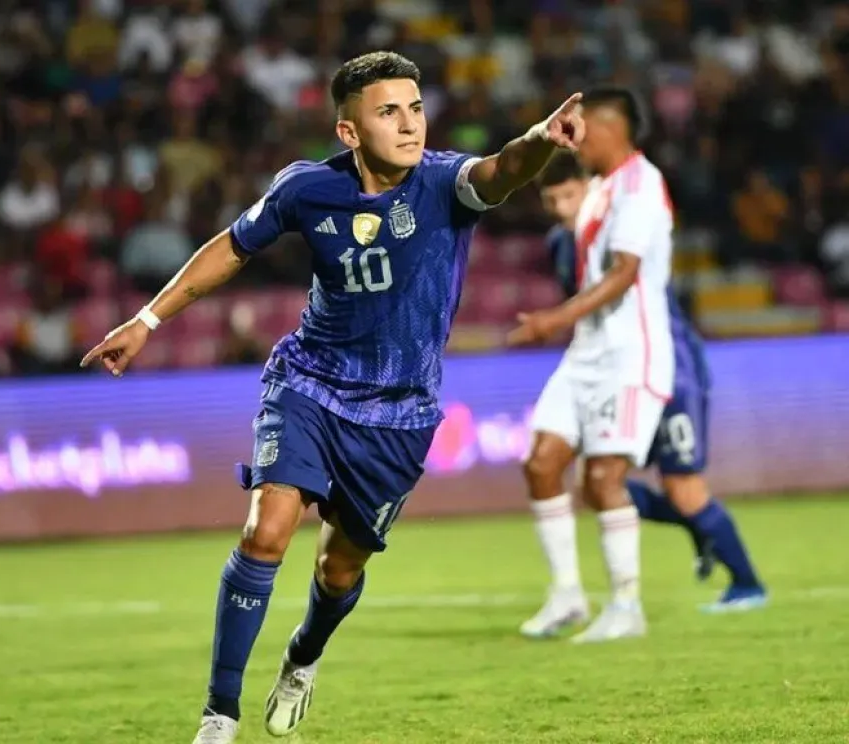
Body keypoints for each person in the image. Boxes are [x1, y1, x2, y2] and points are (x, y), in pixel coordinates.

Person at [81, 51, 584, 742]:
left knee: (338, 566)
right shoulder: (307, 189)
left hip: (399, 411)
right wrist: (145, 321)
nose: (409, 124)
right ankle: (218, 715)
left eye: (415, 107)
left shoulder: (442, 183)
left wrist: (539, 142)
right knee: (266, 532)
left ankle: (303, 657)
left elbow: (499, 171)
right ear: (349, 132)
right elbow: (232, 246)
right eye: (389, 112)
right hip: (309, 383)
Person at [536, 152, 767, 617]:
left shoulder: (624, 227)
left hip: (669, 367)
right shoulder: (561, 244)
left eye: (570, 195)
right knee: (595, 483)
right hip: (612, 368)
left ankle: (747, 584)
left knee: (683, 487)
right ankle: (696, 529)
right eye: (552, 200)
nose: (563, 208)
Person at [507, 88, 676, 643]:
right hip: (586, 353)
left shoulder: (640, 185)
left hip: (630, 353)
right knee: (541, 462)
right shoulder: (601, 189)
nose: (576, 138)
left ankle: (627, 605)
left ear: (608, 129)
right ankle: (568, 595)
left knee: (603, 478)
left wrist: (552, 319)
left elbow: (625, 272)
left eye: (582, 129)